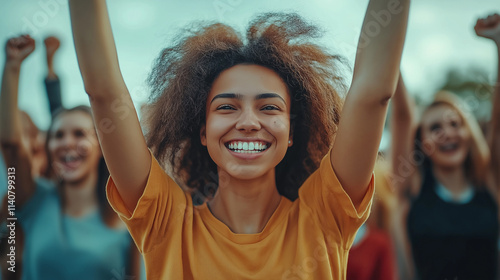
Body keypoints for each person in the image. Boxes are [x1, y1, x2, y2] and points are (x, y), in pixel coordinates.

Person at [69, 0, 409, 278]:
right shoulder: (164, 221)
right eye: (227, 107)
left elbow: (373, 94)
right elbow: (103, 91)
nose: (248, 122)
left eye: (269, 107)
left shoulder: (325, 214)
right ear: (203, 131)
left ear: (292, 132)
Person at [0, 35, 141, 280]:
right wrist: (12, 66)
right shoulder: (34, 201)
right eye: (58, 135)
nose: (67, 143)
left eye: (79, 134)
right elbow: (11, 145)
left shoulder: (127, 216)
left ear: (101, 147)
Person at [390, 13, 500, 280]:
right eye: (435, 128)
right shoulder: (413, 186)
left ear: (468, 132)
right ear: (421, 143)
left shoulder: (490, 182)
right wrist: (386, 36)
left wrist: (499, 42)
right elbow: (403, 113)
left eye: (455, 123)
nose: (447, 133)